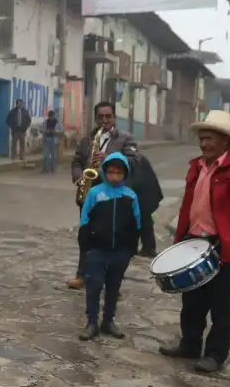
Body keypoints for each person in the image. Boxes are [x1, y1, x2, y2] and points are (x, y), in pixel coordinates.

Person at [159, 111, 230, 373]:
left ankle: (215, 355)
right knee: (192, 302)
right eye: (202, 138)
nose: (203, 143)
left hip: (222, 247)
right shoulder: (196, 167)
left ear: (225, 142)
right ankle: (190, 345)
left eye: (209, 139)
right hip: (192, 242)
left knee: (221, 306)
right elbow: (188, 206)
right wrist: (179, 239)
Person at [68, 101, 137, 290]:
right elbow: (76, 161)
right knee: (85, 235)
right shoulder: (86, 139)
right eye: (101, 117)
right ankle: (82, 275)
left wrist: (109, 157)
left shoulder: (125, 138)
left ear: (114, 117)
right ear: (96, 118)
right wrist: (79, 177)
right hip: (90, 193)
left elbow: (134, 162)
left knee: (111, 238)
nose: (104, 120)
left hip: (114, 196)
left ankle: (111, 281)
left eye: (108, 116)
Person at [77, 152, 141, 341]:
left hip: (120, 252)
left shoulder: (130, 196)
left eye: (118, 173)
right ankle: (92, 322)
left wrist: (130, 250)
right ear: (104, 172)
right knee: (94, 286)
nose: (114, 176)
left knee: (113, 287)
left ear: (124, 174)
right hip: (96, 250)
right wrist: (86, 247)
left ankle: (108, 321)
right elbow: (85, 219)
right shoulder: (96, 193)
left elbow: (137, 224)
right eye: (111, 172)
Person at [122, 145, 164, 257]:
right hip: (149, 195)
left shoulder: (129, 161)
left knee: (138, 222)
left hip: (141, 196)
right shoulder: (141, 158)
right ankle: (148, 248)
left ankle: (137, 249)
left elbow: (130, 182)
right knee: (146, 223)